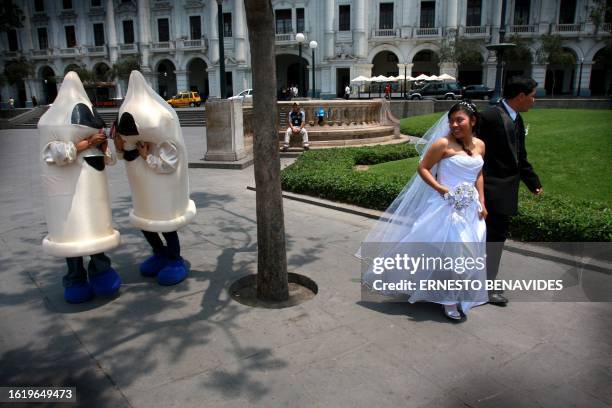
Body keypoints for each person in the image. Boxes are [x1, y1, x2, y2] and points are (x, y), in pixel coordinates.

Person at [360, 101, 488, 320]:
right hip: (447, 208)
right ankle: (448, 300)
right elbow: (423, 168)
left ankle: (454, 293)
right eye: (451, 121)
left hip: (471, 209)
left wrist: (482, 203)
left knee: (470, 255)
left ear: (473, 121)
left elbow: (478, 174)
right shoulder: (442, 144)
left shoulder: (480, 145)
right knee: (457, 256)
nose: (454, 125)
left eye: (460, 120)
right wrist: (441, 189)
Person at [115, 70, 196, 286]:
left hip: (163, 191)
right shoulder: (141, 141)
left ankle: (174, 258)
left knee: (166, 226)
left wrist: (146, 156)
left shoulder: (166, 141)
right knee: (146, 224)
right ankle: (159, 253)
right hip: (144, 193)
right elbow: (121, 151)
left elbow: (167, 166)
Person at [478, 77, 542, 306]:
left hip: (506, 189)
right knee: (493, 239)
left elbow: (519, 156)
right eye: (533, 95)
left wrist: (532, 180)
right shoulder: (489, 116)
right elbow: (471, 149)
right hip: (490, 191)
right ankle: (486, 287)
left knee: (493, 239)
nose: (534, 100)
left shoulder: (517, 119)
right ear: (521, 96)